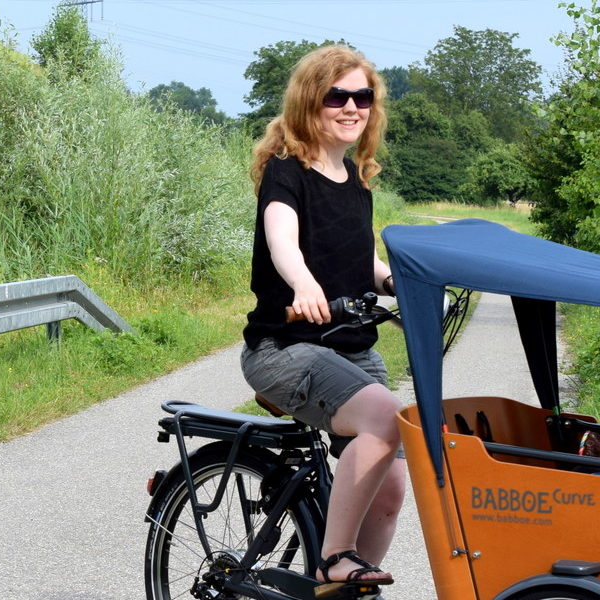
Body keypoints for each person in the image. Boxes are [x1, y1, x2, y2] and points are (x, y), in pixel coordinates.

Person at [239, 45, 403, 594]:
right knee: (384, 417)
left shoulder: (356, 180)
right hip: (284, 349)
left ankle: (349, 592)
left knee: (393, 485)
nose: (352, 107)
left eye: (363, 96)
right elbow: (281, 237)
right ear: (312, 101)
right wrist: (303, 283)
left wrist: (393, 283)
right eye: (339, 96)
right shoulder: (287, 174)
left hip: (350, 349)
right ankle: (334, 557)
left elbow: (359, 257)